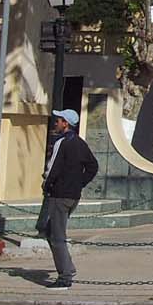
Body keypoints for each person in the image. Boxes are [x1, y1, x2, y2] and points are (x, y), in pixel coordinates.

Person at [37, 109, 98, 289]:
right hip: (73, 195)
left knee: (57, 236)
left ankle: (65, 276)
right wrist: (79, 183)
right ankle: (68, 266)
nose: (56, 123)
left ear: (66, 124)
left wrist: (47, 185)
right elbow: (93, 166)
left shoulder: (62, 143)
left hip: (59, 195)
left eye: (59, 120)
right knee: (50, 231)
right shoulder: (80, 143)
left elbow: (52, 168)